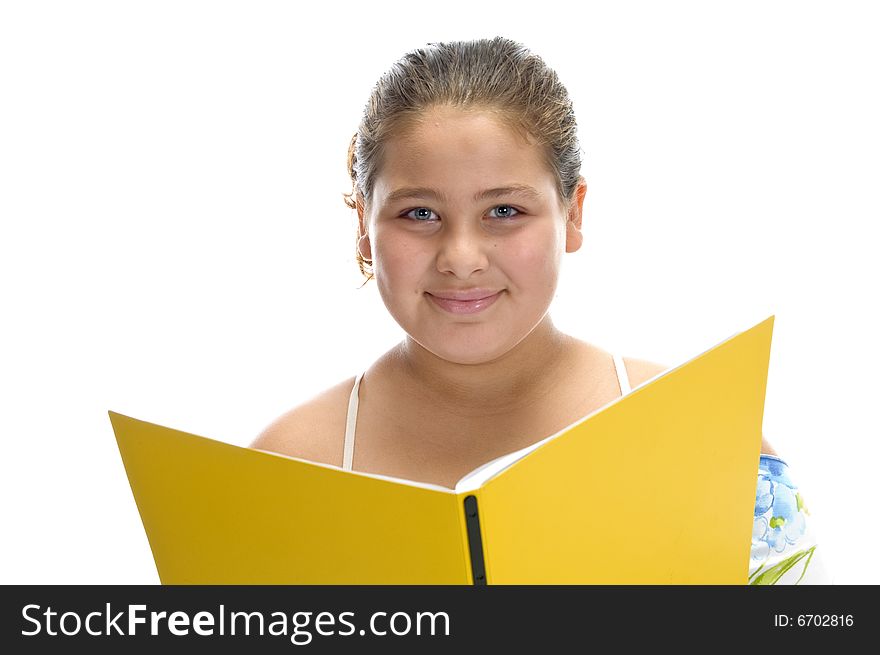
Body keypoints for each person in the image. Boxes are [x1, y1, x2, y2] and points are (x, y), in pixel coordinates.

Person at [250, 36, 829, 584]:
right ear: (362, 227)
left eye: (504, 211)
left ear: (572, 214)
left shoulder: (710, 442)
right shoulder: (287, 466)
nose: (461, 258)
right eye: (418, 214)